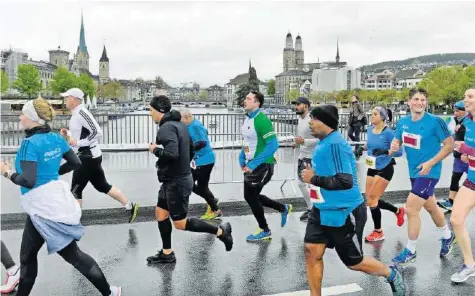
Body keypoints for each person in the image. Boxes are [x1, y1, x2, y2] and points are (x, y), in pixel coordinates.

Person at [0, 98, 121, 296]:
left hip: (41, 207)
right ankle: (109, 292)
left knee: (73, 256)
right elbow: (75, 163)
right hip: (49, 203)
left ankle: (109, 292)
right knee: (27, 257)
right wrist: (53, 174)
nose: (19, 117)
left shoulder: (29, 144)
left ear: (31, 118)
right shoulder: (56, 138)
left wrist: (6, 172)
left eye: (22, 113)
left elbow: (28, 181)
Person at [301, 104, 405, 296]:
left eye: (314, 118)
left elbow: (345, 181)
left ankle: (391, 273)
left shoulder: (336, 144)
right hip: (322, 209)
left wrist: (312, 178)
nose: (310, 122)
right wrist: (312, 173)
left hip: (344, 211)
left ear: (327, 123)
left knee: (354, 262)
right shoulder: (324, 142)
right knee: (311, 251)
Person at [146, 95, 232, 264]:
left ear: (159, 110)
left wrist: (155, 150)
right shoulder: (180, 125)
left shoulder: (166, 128)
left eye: (151, 110)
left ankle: (221, 232)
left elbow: (171, 153)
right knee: (161, 213)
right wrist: (182, 167)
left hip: (176, 182)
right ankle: (167, 253)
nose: (150, 114)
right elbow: (191, 149)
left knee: (179, 223)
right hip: (173, 179)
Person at [390, 88, 456, 266]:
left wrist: (431, 163)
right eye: (416, 99)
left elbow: (449, 145)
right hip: (414, 172)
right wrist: (394, 146)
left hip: (429, 172)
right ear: (409, 101)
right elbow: (397, 142)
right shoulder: (403, 122)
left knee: (411, 209)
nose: (420, 103)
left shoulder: (435, 122)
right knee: (431, 207)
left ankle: (410, 250)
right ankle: (448, 235)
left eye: (423, 100)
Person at [59, 88, 139, 223]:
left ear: (74, 99)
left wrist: (78, 142)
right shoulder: (76, 113)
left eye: (67, 97)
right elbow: (80, 135)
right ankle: (130, 206)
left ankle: (74, 223)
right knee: (102, 185)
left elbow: (97, 132)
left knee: (75, 190)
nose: (64, 100)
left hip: (87, 157)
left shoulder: (82, 113)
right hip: (90, 155)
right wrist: (68, 135)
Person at [240, 91, 292, 241]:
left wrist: (254, 163)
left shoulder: (261, 120)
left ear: (257, 103)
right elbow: (248, 142)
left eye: (248, 99)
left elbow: (273, 144)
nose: (245, 100)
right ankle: (283, 208)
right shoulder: (248, 119)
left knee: (251, 196)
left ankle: (265, 230)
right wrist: (242, 158)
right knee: (251, 196)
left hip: (263, 165)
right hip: (252, 164)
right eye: (245, 98)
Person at [363, 107, 405, 242]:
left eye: (375, 114)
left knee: (372, 200)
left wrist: (385, 151)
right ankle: (398, 211)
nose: (372, 116)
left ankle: (378, 232)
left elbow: (399, 152)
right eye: (371, 114)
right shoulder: (369, 130)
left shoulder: (388, 133)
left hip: (385, 167)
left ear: (382, 117)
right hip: (372, 166)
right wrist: (361, 148)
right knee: (370, 199)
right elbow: (369, 145)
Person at [450, 88, 475, 283]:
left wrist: (466, 150)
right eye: (465, 96)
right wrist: (468, 156)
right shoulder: (466, 121)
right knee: (456, 220)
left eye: (470, 96)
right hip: (472, 179)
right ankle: (469, 265)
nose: (465, 99)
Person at [180, 109, 222, 220]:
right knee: (190, 184)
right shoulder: (189, 125)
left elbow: (203, 142)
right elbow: (206, 132)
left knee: (201, 186)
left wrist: (188, 149)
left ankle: (215, 209)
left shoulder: (196, 125)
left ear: (187, 117)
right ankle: (211, 200)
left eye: (181, 120)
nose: (181, 122)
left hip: (205, 160)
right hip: (198, 161)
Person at [291, 97, 318, 221]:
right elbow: (301, 136)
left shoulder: (312, 120)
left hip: (312, 157)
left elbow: (320, 139)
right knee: (301, 184)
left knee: (312, 185)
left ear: (306, 106)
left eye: (298, 104)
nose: (296, 106)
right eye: (296, 104)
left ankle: (316, 209)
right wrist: (296, 143)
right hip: (302, 156)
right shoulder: (300, 119)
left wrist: (304, 141)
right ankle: (311, 208)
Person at [438, 100, 468, 211]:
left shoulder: (469, 122)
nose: (455, 113)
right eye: (455, 111)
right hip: (458, 157)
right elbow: (455, 137)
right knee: (455, 178)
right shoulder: (457, 121)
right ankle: (450, 202)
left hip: (469, 158)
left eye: (458, 111)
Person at [348, 95, 365, 159]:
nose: (352, 98)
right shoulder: (351, 105)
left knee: (357, 136)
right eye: (351, 97)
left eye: (353, 97)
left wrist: (358, 118)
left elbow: (362, 113)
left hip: (357, 123)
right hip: (352, 122)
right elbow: (351, 113)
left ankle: (357, 151)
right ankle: (358, 145)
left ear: (356, 99)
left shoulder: (358, 105)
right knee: (349, 134)